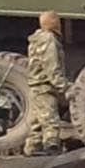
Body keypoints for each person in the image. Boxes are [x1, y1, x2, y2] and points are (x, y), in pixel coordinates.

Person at [24, 10, 70, 156]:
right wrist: (64, 86)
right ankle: (51, 148)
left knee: (37, 121)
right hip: (45, 86)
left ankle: (32, 148)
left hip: (36, 85)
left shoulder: (37, 39)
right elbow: (51, 65)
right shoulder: (49, 39)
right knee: (50, 120)